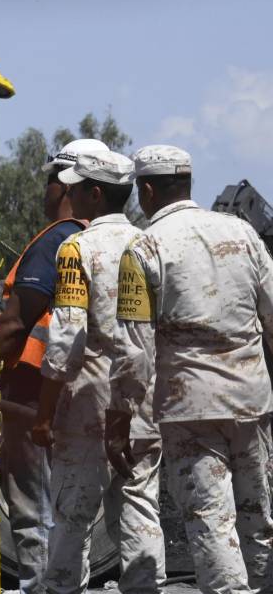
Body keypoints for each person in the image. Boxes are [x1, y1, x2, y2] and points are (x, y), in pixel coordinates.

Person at [107, 145, 273, 594]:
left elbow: (134, 346)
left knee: (211, 519)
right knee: (257, 515)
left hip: (189, 406)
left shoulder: (142, 248)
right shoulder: (242, 234)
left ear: (145, 190)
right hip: (252, 398)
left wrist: (121, 414)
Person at [0, 139, 107, 594]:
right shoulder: (111, 242)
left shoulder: (55, 240)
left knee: (33, 503)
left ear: (63, 184)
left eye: (48, 181)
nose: (43, 192)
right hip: (95, 389)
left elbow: (15, 322)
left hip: (32, 387)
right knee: (75, 503)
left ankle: (40, 585)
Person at [30, 151, 165, 593]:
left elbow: (66, 340)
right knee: (139, 506)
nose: (66, 193)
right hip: (142, 397)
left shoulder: (77, 249)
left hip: (88, 400)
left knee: (73, 515)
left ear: (94, 193)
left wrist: (45, 415)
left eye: (74, 186)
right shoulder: (150, 244)